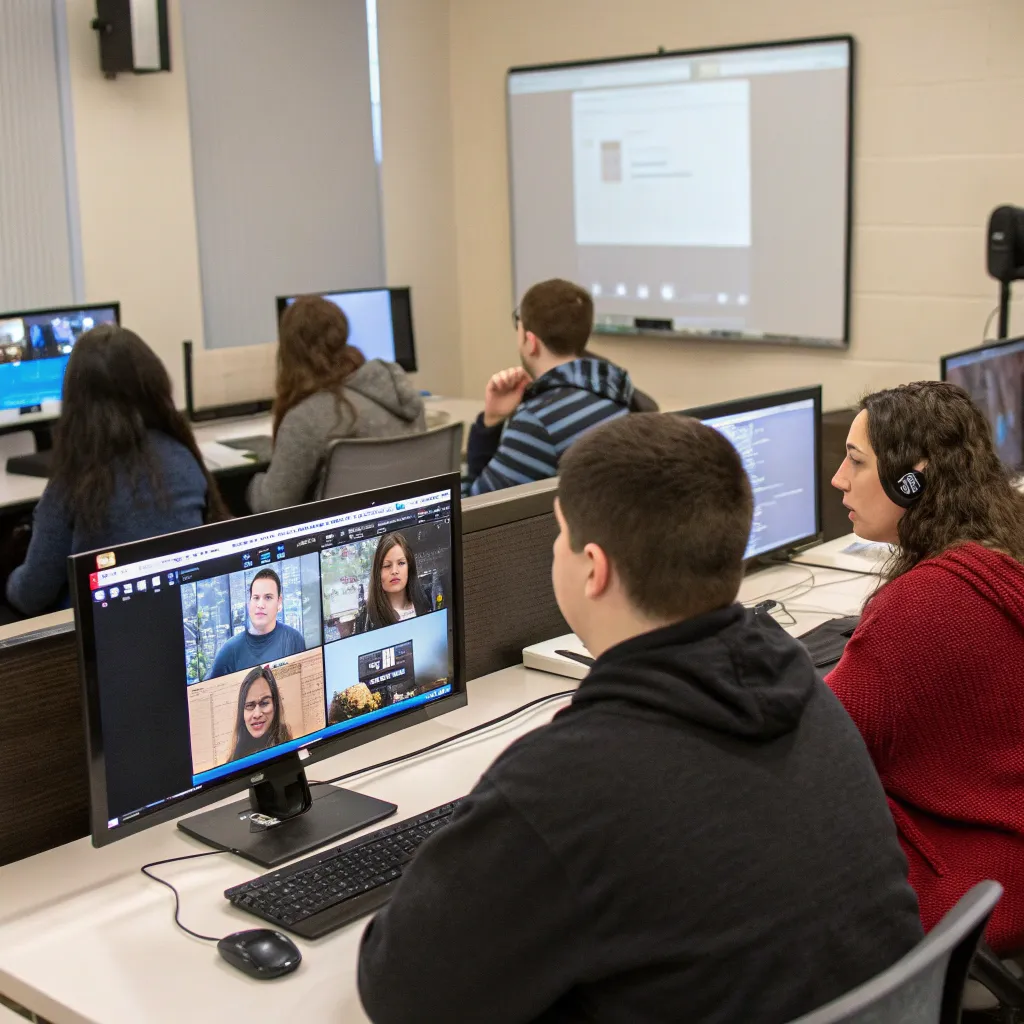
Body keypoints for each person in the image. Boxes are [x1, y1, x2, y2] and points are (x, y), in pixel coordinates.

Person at [358, 413, 922, 1024]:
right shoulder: (805, 693)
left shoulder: (568, 781)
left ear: (593, 568)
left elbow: (402, 992)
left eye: (560, 535)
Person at [827, 380, 1024, 954]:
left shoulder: (924, 607)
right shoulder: (1002, 545)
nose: (838, 479)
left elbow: (823, 742)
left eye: (856, 461)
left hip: (977, 890)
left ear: (910, 480)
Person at [6, 325, 228, 617]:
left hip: (103, 630)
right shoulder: (182, 454)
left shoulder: (76, 478)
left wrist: (9, 577)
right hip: (180, 616)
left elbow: (32, 595)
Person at [247, 296, 426, 512]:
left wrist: (251, 485)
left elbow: (273, 505)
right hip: (410, 523)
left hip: (347, 531)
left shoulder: (307, 418)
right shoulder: (403, 398)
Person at [464, 278, 634, 496]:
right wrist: (494, 419)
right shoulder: (614, 393)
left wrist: (486, 428)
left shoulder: (537, 422)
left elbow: (476, 504)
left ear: (531, 342)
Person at [209, 569, 306, 678]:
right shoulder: (229, 650)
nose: (260, 605)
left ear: (279, 602)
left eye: (268, 597)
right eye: (256, 598)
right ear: (249, 602)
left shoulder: (294, 639)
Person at [354, 532, 432, 633]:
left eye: (401, 563)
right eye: (387, 566)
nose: (394, 571)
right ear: (378, 572)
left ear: (409, 566)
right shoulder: (367, 618)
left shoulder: (428, 602)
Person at [228, 665, 292, 762]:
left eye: (264, 703)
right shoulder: (233, 760)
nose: (257, 714)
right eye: (250, 705)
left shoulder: (289, 748)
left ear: (275, 705)